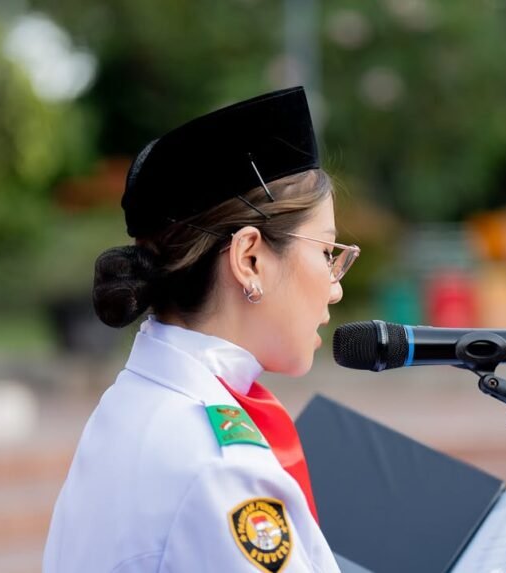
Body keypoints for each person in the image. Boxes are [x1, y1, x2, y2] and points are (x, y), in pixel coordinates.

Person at [44, 86, 359, 573]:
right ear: (249, 259)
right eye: (326, 252)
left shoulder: (136, 403)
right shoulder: (222, 470)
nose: (335, 289)